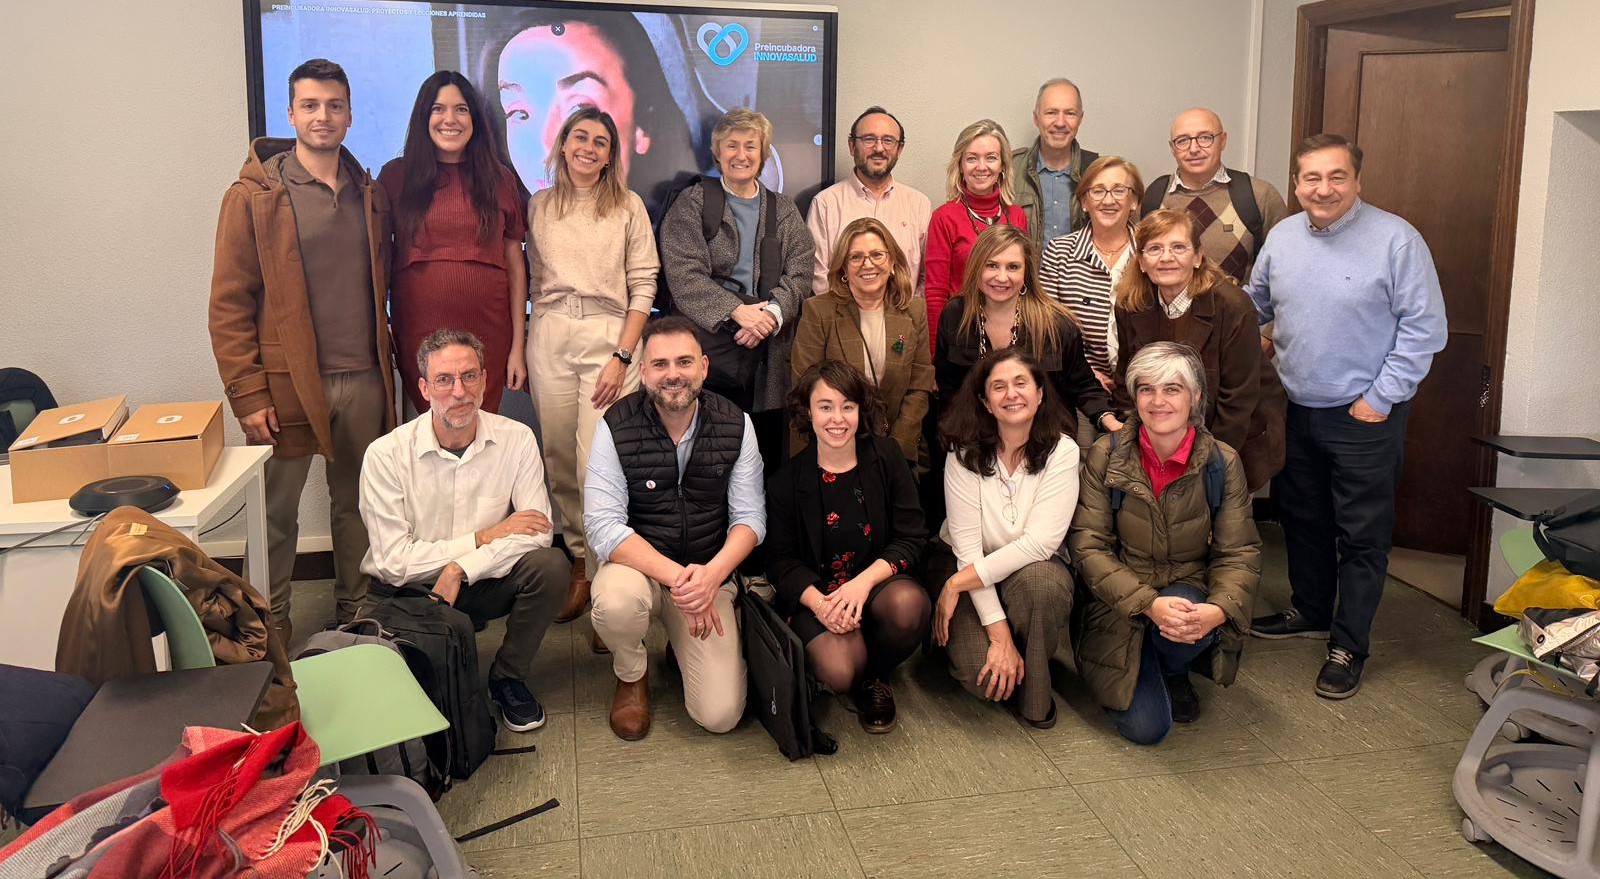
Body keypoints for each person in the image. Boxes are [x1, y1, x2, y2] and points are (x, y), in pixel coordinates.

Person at [1245, 134, 1448, 699]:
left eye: (1336, 177)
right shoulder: (1283, 237)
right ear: (1296, 184)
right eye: (1312, 178)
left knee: (1361, 535)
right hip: (1296, 406)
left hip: (1364, 414)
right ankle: (1309, 610)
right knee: (1303, 520)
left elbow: (1424, 329)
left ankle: (1348, 643)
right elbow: (1255, 304)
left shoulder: (1396, 240)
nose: (1323, 189)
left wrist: (1381, 397)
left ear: (1357, 181)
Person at [209, 59, 395, 638]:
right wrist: (247, 393)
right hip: (285, 383)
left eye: (334, 105)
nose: (323, 116)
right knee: (275, 515)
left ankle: (357, 611)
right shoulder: (253, 197)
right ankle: (271, 623)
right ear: (290, 114)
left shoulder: (370, 193)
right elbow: (229, 304)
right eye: (310, 105)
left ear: (348, 114)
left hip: (363, 377)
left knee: (357, 506)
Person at [359, 330, 571, 732]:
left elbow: (537, 533)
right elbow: (392, 562)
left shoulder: (516, 439)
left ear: (485, 379)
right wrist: (482, 537)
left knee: (550, 565)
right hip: (411, 589)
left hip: (480, 580)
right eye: (444, 380)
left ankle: (508, 676)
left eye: (469, 376)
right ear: (423, 388)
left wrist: (460, 567)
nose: (459, 391)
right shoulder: (386, 455)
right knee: (412, 712)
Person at [1069, 342, 1261, 744]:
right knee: (1147, 729)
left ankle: (1172, 666)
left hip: (1187, 590)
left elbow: (1238, 552)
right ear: (1134, 397)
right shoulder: (1106, 455)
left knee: (1188, 617)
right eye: (1146, 389)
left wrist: (1220, 609)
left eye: (1172, 389)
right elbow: (1088, 547)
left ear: (1195, 397)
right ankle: (1149, 657)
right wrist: (1148, 604)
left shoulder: (1221, 463)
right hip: (1119, 598)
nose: (1158, 401)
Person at [584, 317, 766, 740]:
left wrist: (711, 577)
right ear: (643, 371)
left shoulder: (737, 424)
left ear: (703, 366)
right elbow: (603, 527)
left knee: (720, 716)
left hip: (709, 570)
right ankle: (631, 674)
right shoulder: (615, 424)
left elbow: (750, 519)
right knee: (613, 603)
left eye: (684, 362)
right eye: (660, 364)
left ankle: (678, 646)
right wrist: (682, 581)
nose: (673, 375)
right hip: (642, 570)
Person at [524, 107, 660, 628]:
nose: (588, 147)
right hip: (552, 330)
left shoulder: (628, 207)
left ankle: (608, 578)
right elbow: (522, 276)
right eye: (579, 137)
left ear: (610, 155)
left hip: (611, 339)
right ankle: (580, 558)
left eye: (600, 142)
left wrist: (623, 355)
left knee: (596, 464)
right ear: (562, 144)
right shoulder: (538, 206)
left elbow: (644, 284)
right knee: (558, 456)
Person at [765, 361, 931, 733]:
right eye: (825, 407)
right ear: (808, 412)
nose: (837, 418)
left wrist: (861, 585)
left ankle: (877, 676)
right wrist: (823, 605)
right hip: (819, 596)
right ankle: (854, 658)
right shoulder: (786, 482)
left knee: (909, 605)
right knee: (840, 672)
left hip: (875, 587)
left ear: (860, 410)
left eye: (847, 406)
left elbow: (912, 536)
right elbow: (780, 562)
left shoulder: (887, 458)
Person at [928, 348, 1078, 727]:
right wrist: (999, 636)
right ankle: (1011, 641)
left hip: (1030, 569)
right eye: (998, 387)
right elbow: (967, 552)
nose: (1011, 394)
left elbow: (1040, 544)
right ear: (985, 402)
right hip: (966, 562)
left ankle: (1037, 688)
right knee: (986, 680)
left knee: (1041, 584)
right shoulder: (963, 451)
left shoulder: (1063, 451)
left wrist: (957, 585)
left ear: (1040, 393)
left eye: (1021, 383)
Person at [659, 108, 814, 466]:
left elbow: (802, 271)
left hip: (767, 354)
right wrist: (737, 312)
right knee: (707, 454)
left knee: (764, 455)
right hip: (708, 347)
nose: (741, 155)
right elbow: (684, 274)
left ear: (762, 154)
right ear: (717, 152)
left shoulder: (784, 210)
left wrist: (771, 315)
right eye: (732, 145)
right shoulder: (694, 203)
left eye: (750, 146)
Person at [379, 71, 527, 415]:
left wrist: (518, 345)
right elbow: (377, 261)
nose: (450, 119)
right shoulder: (395, 177)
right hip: (417, 328)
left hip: (490, 329)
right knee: (434, 429)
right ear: (423, 117)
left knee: (481, 429)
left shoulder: (500, 178)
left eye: (461, 110)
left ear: (474, 119)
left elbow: (515, 264)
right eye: (438, 109)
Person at [1111, 209, 1286, 491]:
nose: (1166, 257)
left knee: (1217, 520)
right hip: (1164, 433)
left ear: (1198, 257)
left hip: (1231, 432)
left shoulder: (1233, 306)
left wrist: (1209, 464)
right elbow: (1126, 377)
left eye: (1178, 247)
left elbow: (1239, 399)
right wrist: (1131, 439)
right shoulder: (1131, 304)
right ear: (1141, 261)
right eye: (1155, 248)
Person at [479, 7, 699, 216]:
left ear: (644, 127)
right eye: (520, 113)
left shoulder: (656, 224)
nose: (546, 148)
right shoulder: (516, 232)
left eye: (579, 109)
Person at [936, 224, 1120, 435]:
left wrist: (1109, 421)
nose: (1002, 277)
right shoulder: (955, 315)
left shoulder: (1056, 324)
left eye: (1013, 267)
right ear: (976, 268)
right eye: (992, 265)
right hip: (975, 439)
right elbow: (949, 391)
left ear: (1026, 273)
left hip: (1045, 440)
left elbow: (1083, 384)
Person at [790, 217, 934, 463]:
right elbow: (805, 391)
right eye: (855, 257)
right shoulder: (818, 311)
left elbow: (919, 387)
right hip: (831, 446)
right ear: (843, 268)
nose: (867, 264)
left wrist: (894, 449)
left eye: (877, 255)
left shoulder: (914, 311)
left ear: (892, 262)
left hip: (895, 448)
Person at [1139, 108, 1289, 284]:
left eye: (1205, 138)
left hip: (1238, 310)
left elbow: (1283, 267)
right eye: (1183, 141)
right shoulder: (1154, 196)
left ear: (1223, 140)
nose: (1194, 149)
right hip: (1166, 311)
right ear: (1172, 148)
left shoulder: (1259, 195)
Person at [1039, 155, 1144, 395]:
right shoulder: (1059, 252)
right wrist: (1087, 374)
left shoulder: (1152, 252)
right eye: (1097, 191)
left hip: (1145, 388)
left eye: (1119, 190)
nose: (1108, 200)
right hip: (1078, 387)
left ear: (1135, 200)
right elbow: (1047, 328)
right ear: (1085, 201)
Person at [805, 106, 933, 296]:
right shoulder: (825, 204)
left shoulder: (919, 204)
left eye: (888, 140)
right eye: (869, 139)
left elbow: (927, 277)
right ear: (852, 146)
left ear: (899, 149)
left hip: (905, 321)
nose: (879, 148)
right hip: (841, 322)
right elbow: (819, 277)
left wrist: (907, 317)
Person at [924, 119, 1027, 353]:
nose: (982, 166)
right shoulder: (944, 217)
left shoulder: (1016, 216)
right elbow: (935, 292)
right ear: (960, 165)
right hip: (961, 335)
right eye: (972, 158)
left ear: (1003, 165)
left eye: (991, 157)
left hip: (1009, 337)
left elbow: (1024, 283)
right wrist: (934, 355)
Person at [1013, 78, 1101, 255]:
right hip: (1024, 281)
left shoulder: (1099, 172)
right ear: (1036, 118)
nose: (1060, 123)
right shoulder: (1011, 169)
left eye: (1070, 113)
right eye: (1051, 112)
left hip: (1080, 281)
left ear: (1081, 118)